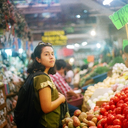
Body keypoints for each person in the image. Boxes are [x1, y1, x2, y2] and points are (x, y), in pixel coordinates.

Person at [27, 42, 65, 128]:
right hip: (47, 124)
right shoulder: (42, 78)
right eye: (46, 54)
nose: (51, 57)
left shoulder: (42, 75)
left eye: (52, 54)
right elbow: (46, 108)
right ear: (38, 59)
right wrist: (61, 98)